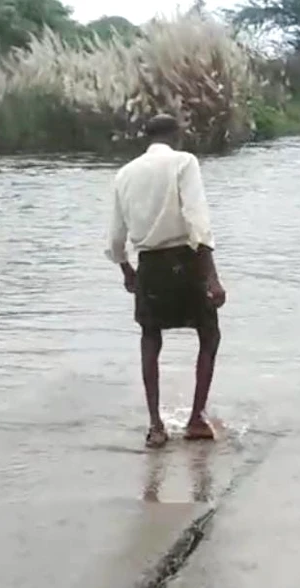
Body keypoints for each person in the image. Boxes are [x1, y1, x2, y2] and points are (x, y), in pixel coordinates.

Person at [105, 114, 227, 449]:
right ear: (177, 135)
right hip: (185, 262)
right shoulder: (184, 162)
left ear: (147, 137)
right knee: (209, 333)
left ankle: (156, 426)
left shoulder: (125, 173)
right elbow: (197, 221)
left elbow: (116, 236)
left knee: (150, 337)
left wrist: (126, 270)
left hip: (150, 266)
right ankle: (196, 419)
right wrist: (212, 277)